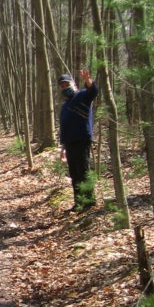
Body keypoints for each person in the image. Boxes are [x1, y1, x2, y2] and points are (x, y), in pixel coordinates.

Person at [58, 67, 98, 211]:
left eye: (66, 84)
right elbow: (64, 126)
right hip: (69, 142)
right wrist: (63, 147)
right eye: (62, 86)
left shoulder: (82, 96)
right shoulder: (65, 105)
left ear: (73, 84)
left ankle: (89, 201)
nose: (64, 87)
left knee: (83, 171)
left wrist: (88, 81)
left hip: (82, 139)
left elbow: (93, 91)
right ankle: (79, 203)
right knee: (74, 173)